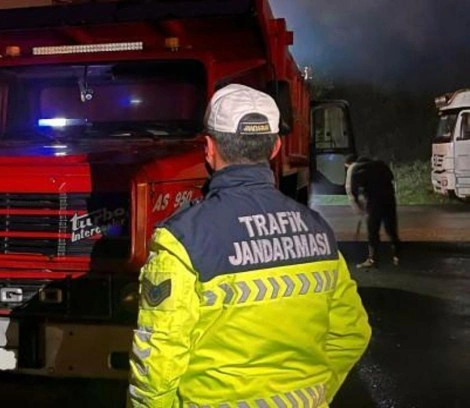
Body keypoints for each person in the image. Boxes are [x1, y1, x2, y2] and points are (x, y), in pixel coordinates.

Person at [128, 84, 371, 407]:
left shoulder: (182, 238)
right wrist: (315, 394)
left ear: (209, 148)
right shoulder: (318, 230)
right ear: (276, 147)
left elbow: (158, 360)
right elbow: (352, 333)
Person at [345, 154, 401, 268]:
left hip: (373, 202)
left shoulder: (355, 169)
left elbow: (352, 190)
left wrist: (359, 206)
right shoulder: (381, 164)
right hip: (389, 199)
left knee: (373, 231)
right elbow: (391, 179)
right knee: (391, 229)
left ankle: (373, 259)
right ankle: (398, 255)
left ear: (350, 164)